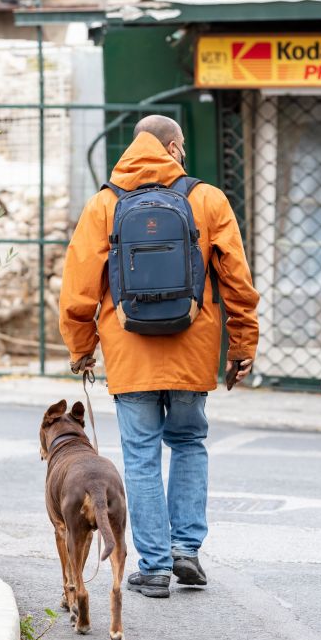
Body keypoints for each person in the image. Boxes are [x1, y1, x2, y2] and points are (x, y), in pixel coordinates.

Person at [58, 115, 260, 598]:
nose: (184, 153)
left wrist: (81, 347)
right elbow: (236, 282)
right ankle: (185, 550)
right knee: (190, 442)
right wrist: (242, 346)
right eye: (182, 145)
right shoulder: (208, 200)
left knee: (142, 456)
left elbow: (78, 289)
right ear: (171, 147)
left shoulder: (104, 204)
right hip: (193, 347)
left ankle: (153, 566)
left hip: (130, 352)